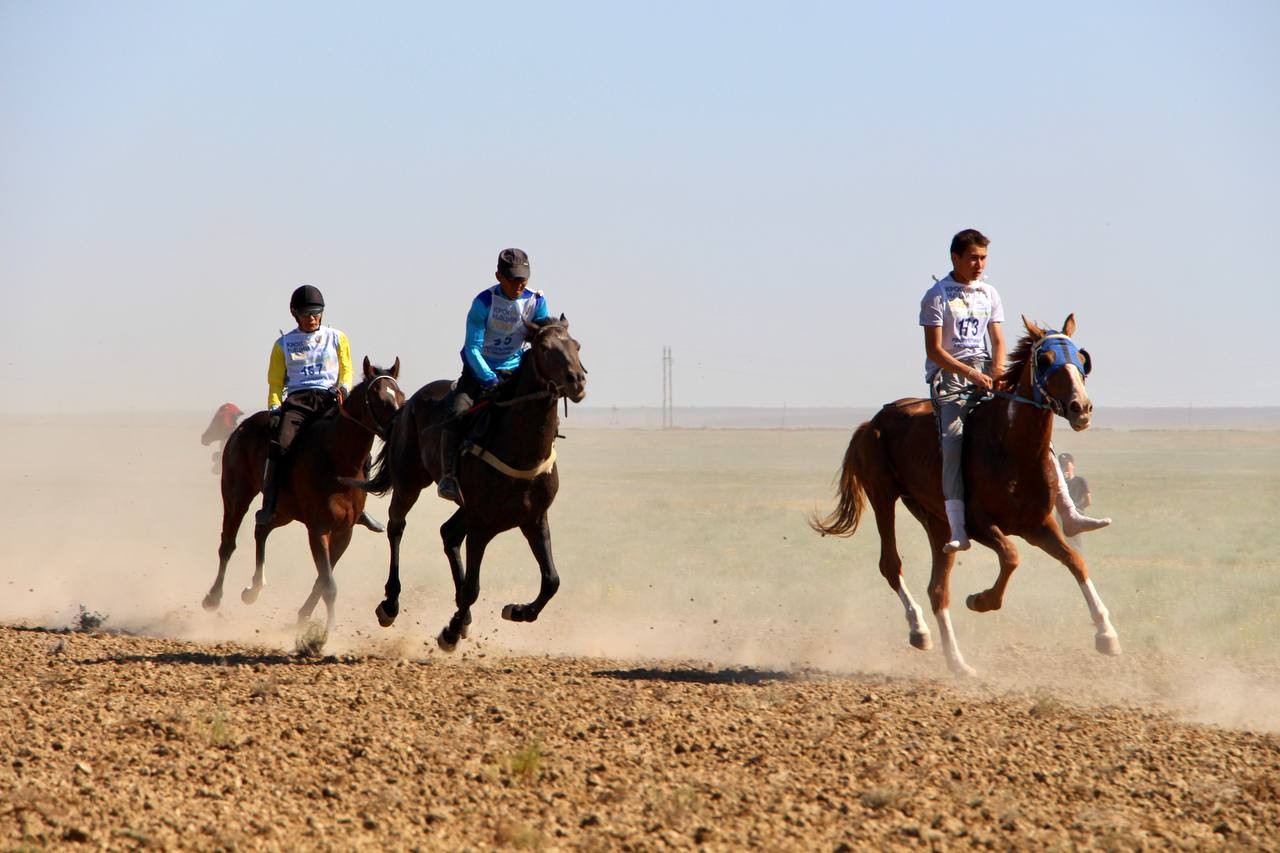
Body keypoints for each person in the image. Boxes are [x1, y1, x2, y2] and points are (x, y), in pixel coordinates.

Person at [920, 229, 1108, 553]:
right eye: (973, 258)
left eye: (983, 258)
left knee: (1034, 433)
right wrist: (969, 373)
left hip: (985, 372)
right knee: (952, 438)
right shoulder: (936, 296)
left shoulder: (989, 294)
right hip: (950, 378)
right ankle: (957, 526)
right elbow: (935, 351)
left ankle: (1070, 513)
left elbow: (998, 340)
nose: (979, 264)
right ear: (956, 258)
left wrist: (996, 370)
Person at [256, 285, 385, 533]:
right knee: (281, 444)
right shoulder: (283, 344)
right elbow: (274, 382)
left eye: (316, 312)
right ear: (294, 313)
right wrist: (274, 409)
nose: (312, 318)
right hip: (298, 402)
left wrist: (344, 390)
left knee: (361, 449)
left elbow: (346, 369)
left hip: (330, 400)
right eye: (306, 313)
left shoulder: (337, 337)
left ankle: (359, 508)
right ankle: (270, 502)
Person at [436, 248, 551, 504]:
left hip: (515, 370)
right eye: (513, 279)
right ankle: (448, 477)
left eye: (524, 279)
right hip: (479, 373)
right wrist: (488, 378)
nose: (519, 284)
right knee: (456, 411)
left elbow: (542, 340)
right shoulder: (483, 303)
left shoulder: (537, 301)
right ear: (499, 276)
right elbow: (473, 347)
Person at [1055, 452, 1106, 549]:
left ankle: (1079, 560)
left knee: (1075, 543)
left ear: (1072, 465)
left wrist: (1076, 508)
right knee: (1062, 544)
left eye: (1066, 464)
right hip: (1060, 517)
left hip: (1076, 516)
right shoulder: (1058, 483)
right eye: (1061, 465)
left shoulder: (1080, 481)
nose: (1064, 467)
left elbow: (1088, 500)